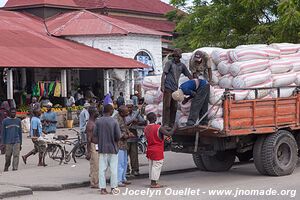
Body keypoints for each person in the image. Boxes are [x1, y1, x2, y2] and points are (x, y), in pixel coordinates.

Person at [161, 48, 193, 127]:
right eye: (175, 56)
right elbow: (163, 74)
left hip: (175, 88)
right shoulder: (169, 63)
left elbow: (188, 75)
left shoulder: (182, 66)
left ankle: (171, 123)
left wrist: (195, 81)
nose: (176, 58)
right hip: (168, 87)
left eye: (177, 56)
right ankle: (165, 123)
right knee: (167, 106)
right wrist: (162, 85)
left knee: (174, 106)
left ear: (180, 57)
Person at [93, 104, 121, 195]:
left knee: (102, 170)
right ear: (111, 111)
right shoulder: (114, 121)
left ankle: (103, 189)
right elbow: (118, 136)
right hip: (113, 149)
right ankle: (113, 188)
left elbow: (95, 135)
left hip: (102, 148)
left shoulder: (98, 121)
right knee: (113, 170)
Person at [144, 112, 176, 188]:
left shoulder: (146, 128)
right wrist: (175, 127)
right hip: (157, 149)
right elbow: (169, 134)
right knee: (157, 165)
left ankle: (152, 181)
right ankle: (154, 183)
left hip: (149, 149)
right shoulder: (158, 127)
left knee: (151, 166)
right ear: (155, 118)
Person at [125, 100, 146, 176]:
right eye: (128, 107)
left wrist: (137, 122)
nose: (129, 109)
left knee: (134, 155)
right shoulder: (122, 114)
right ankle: (126, 170)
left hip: (134, 137)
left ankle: (135, 170)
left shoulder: (136, 113)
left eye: (130, 107)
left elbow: (143, 122)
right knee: (125, 156)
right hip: (125, 138)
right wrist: (131, 120)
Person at [115, 105, 134, 187]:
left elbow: (125, 128)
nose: (128, 113)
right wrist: (125, 135)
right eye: (126, 112)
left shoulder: (123, 118)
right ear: (121, 112)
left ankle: (123, 178)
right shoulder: (116, 119)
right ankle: (118, 180)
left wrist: (129, 133)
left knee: (125, 162)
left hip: (124, 144)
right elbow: (116, 132)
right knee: (120, 163)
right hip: (119, 144)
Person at [86, 106, 100, 189]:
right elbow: (88, 139)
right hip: (92, 145)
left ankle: (95, 181)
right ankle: (94, 183)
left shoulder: (94, 122)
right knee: (95, 165)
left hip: (96, 145)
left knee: (96, 165)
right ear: (92, 113)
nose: (97, 112)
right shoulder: (90, 124)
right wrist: (88, 151)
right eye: (96, 111)